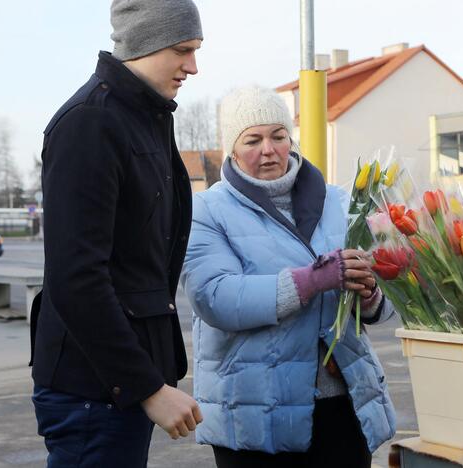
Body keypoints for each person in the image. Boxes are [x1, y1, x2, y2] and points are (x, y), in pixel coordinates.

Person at [181, 85, 396, 467]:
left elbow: (388, 291)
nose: (269, 149)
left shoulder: (341, 201)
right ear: (231, 148)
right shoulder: (206, 210)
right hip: (254, 414)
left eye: (278, 136)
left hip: (341, 405)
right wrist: (312, 280)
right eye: (253, 139)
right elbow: (216, 297)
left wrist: (370, 296)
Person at [30, 1, 204, 465]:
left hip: (116, 386)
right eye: (182, 50)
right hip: (91, 391)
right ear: (145, 42)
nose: (193, 66)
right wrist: (146, 387)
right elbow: (75, 278)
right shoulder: (91, 122)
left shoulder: (144, 118)